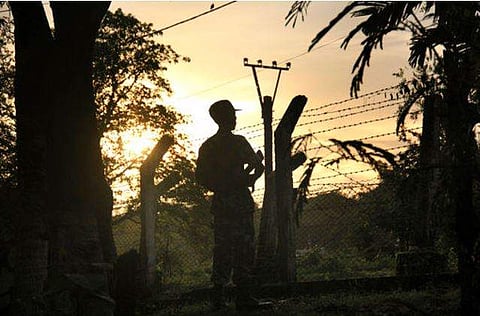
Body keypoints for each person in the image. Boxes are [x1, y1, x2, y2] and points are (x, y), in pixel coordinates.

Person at [195, 99, 265, 311]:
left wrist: (222, 185)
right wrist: (247, 180)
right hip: (240, 203)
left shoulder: (208, 146)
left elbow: (201, 178)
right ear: (225, 118)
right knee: (244, 248)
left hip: (222, 204)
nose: (235, 119)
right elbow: (258, 167)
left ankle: (218, 297)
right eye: (232, 116)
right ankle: (244, 297)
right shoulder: (239, 142)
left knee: (223, 249)